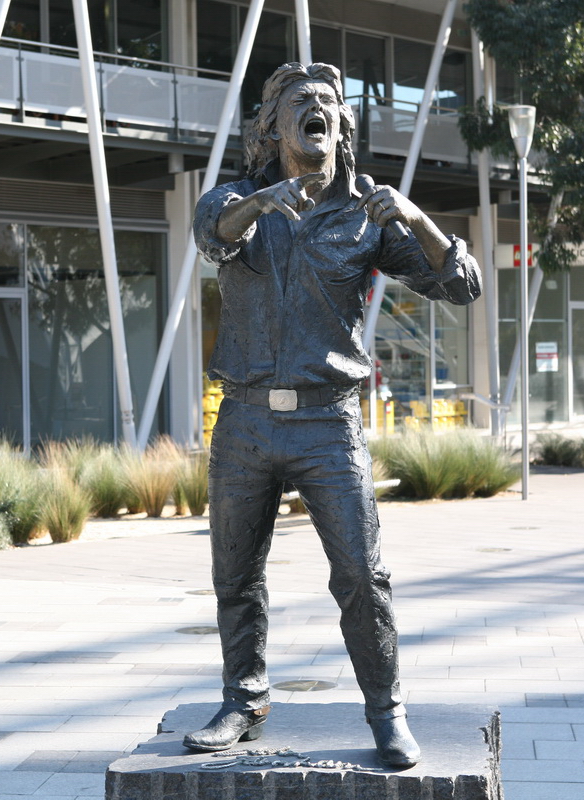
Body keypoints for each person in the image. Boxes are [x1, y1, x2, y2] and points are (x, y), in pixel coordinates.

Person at [183, 62, 482, 769]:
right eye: (299, 102)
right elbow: (213, 236)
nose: (315, 109)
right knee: (235, 575)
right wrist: (265, 204)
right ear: (275, 127)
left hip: (328, 424)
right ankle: (243, 700)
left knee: (362, 576)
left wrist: (413, 217)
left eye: (327, 103)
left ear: (342, 129)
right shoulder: (237, 199)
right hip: (246, 422)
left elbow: (462, 284)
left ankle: (387, 713)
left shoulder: (367, 216)